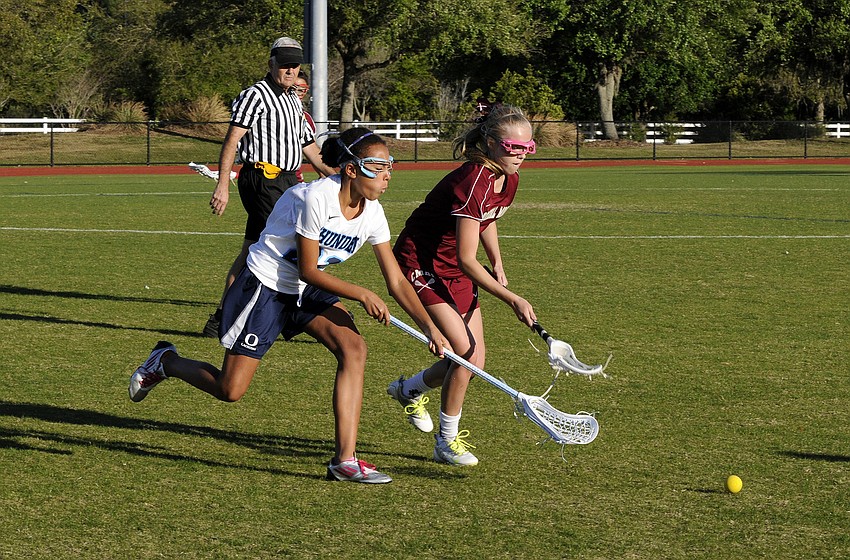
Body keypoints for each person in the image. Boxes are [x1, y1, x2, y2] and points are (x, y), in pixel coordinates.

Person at [129, 128, 449, 484]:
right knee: (230, 390)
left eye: (390, 166)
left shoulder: (373, 213)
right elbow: (308, 269)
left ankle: (344, 460)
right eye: (378, 166)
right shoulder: (315, 199)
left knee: (354, 348)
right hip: (266, 284)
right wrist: (361, 293)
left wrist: (430, 328)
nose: (387, 175)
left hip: (306, 289)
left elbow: (397, 282)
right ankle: (166, 361)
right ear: (351, 169)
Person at [387, 103, 538, 466]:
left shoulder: (509, 177)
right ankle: (446, 441)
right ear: (491, 143)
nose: (520, 155)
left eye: (528, 148)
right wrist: (511, 299)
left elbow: (488, 219)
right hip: (421, 263)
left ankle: (409, 390)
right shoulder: (473, 181)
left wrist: (498, 262)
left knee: (473, 361)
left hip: (453, 268)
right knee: (465, 354)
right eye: (513, 148)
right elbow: (468, 259)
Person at [204, 37, 336, 337]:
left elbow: (310, 148)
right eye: (284, 65)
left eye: (295, 65)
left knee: (252, 249)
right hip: (262, 179)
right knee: (291, 244)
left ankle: (222, 318)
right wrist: (223, 184)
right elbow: (232, 140)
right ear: (271, 64)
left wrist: (339, 177)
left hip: (288, 181)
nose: (290, 71)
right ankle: (298, 314)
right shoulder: (255, 95)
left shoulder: (292, 100)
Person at [293, 71, 317, 183]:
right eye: (293, 88)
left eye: (300, 89)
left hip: (292, 175)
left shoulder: (306, 118)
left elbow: (312, 151)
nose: (296, 93)